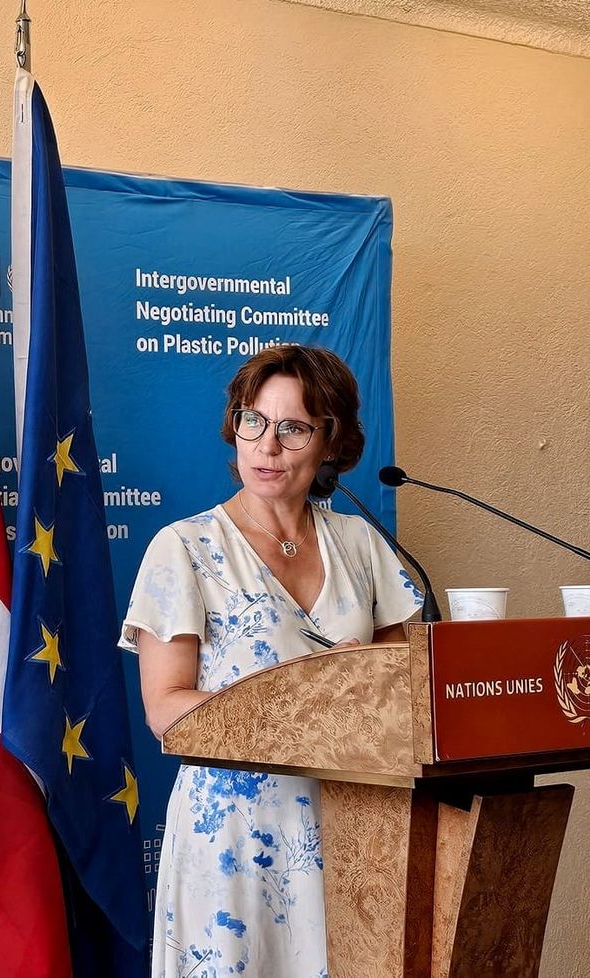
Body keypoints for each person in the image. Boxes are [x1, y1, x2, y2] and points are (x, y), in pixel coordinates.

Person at [121, 346, 421, 978]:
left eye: (292, 428)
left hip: (352, 828)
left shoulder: (361, 542)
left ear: (330, 441)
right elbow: (167, 710)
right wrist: (310, 697)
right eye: (252, 420)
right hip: (232, 839)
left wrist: (367, 675)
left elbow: (410, 685)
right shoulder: (183, 547)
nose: (266, 445)